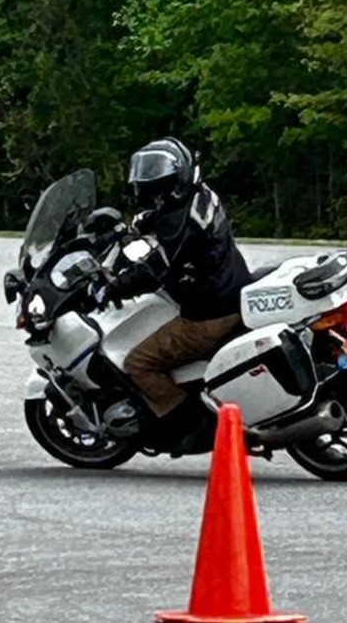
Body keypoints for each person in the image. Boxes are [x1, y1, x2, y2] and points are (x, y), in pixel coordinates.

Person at [97, 137, 251, 455]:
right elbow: (173, 222)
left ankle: (186, 425)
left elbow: (156, 269)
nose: (151, 186)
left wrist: (114, 287)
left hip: (208, 312)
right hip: (229, 290)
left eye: (158, 180)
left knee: (138, 363)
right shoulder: (200, 196)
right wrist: (147, 220)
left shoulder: (178, 220)